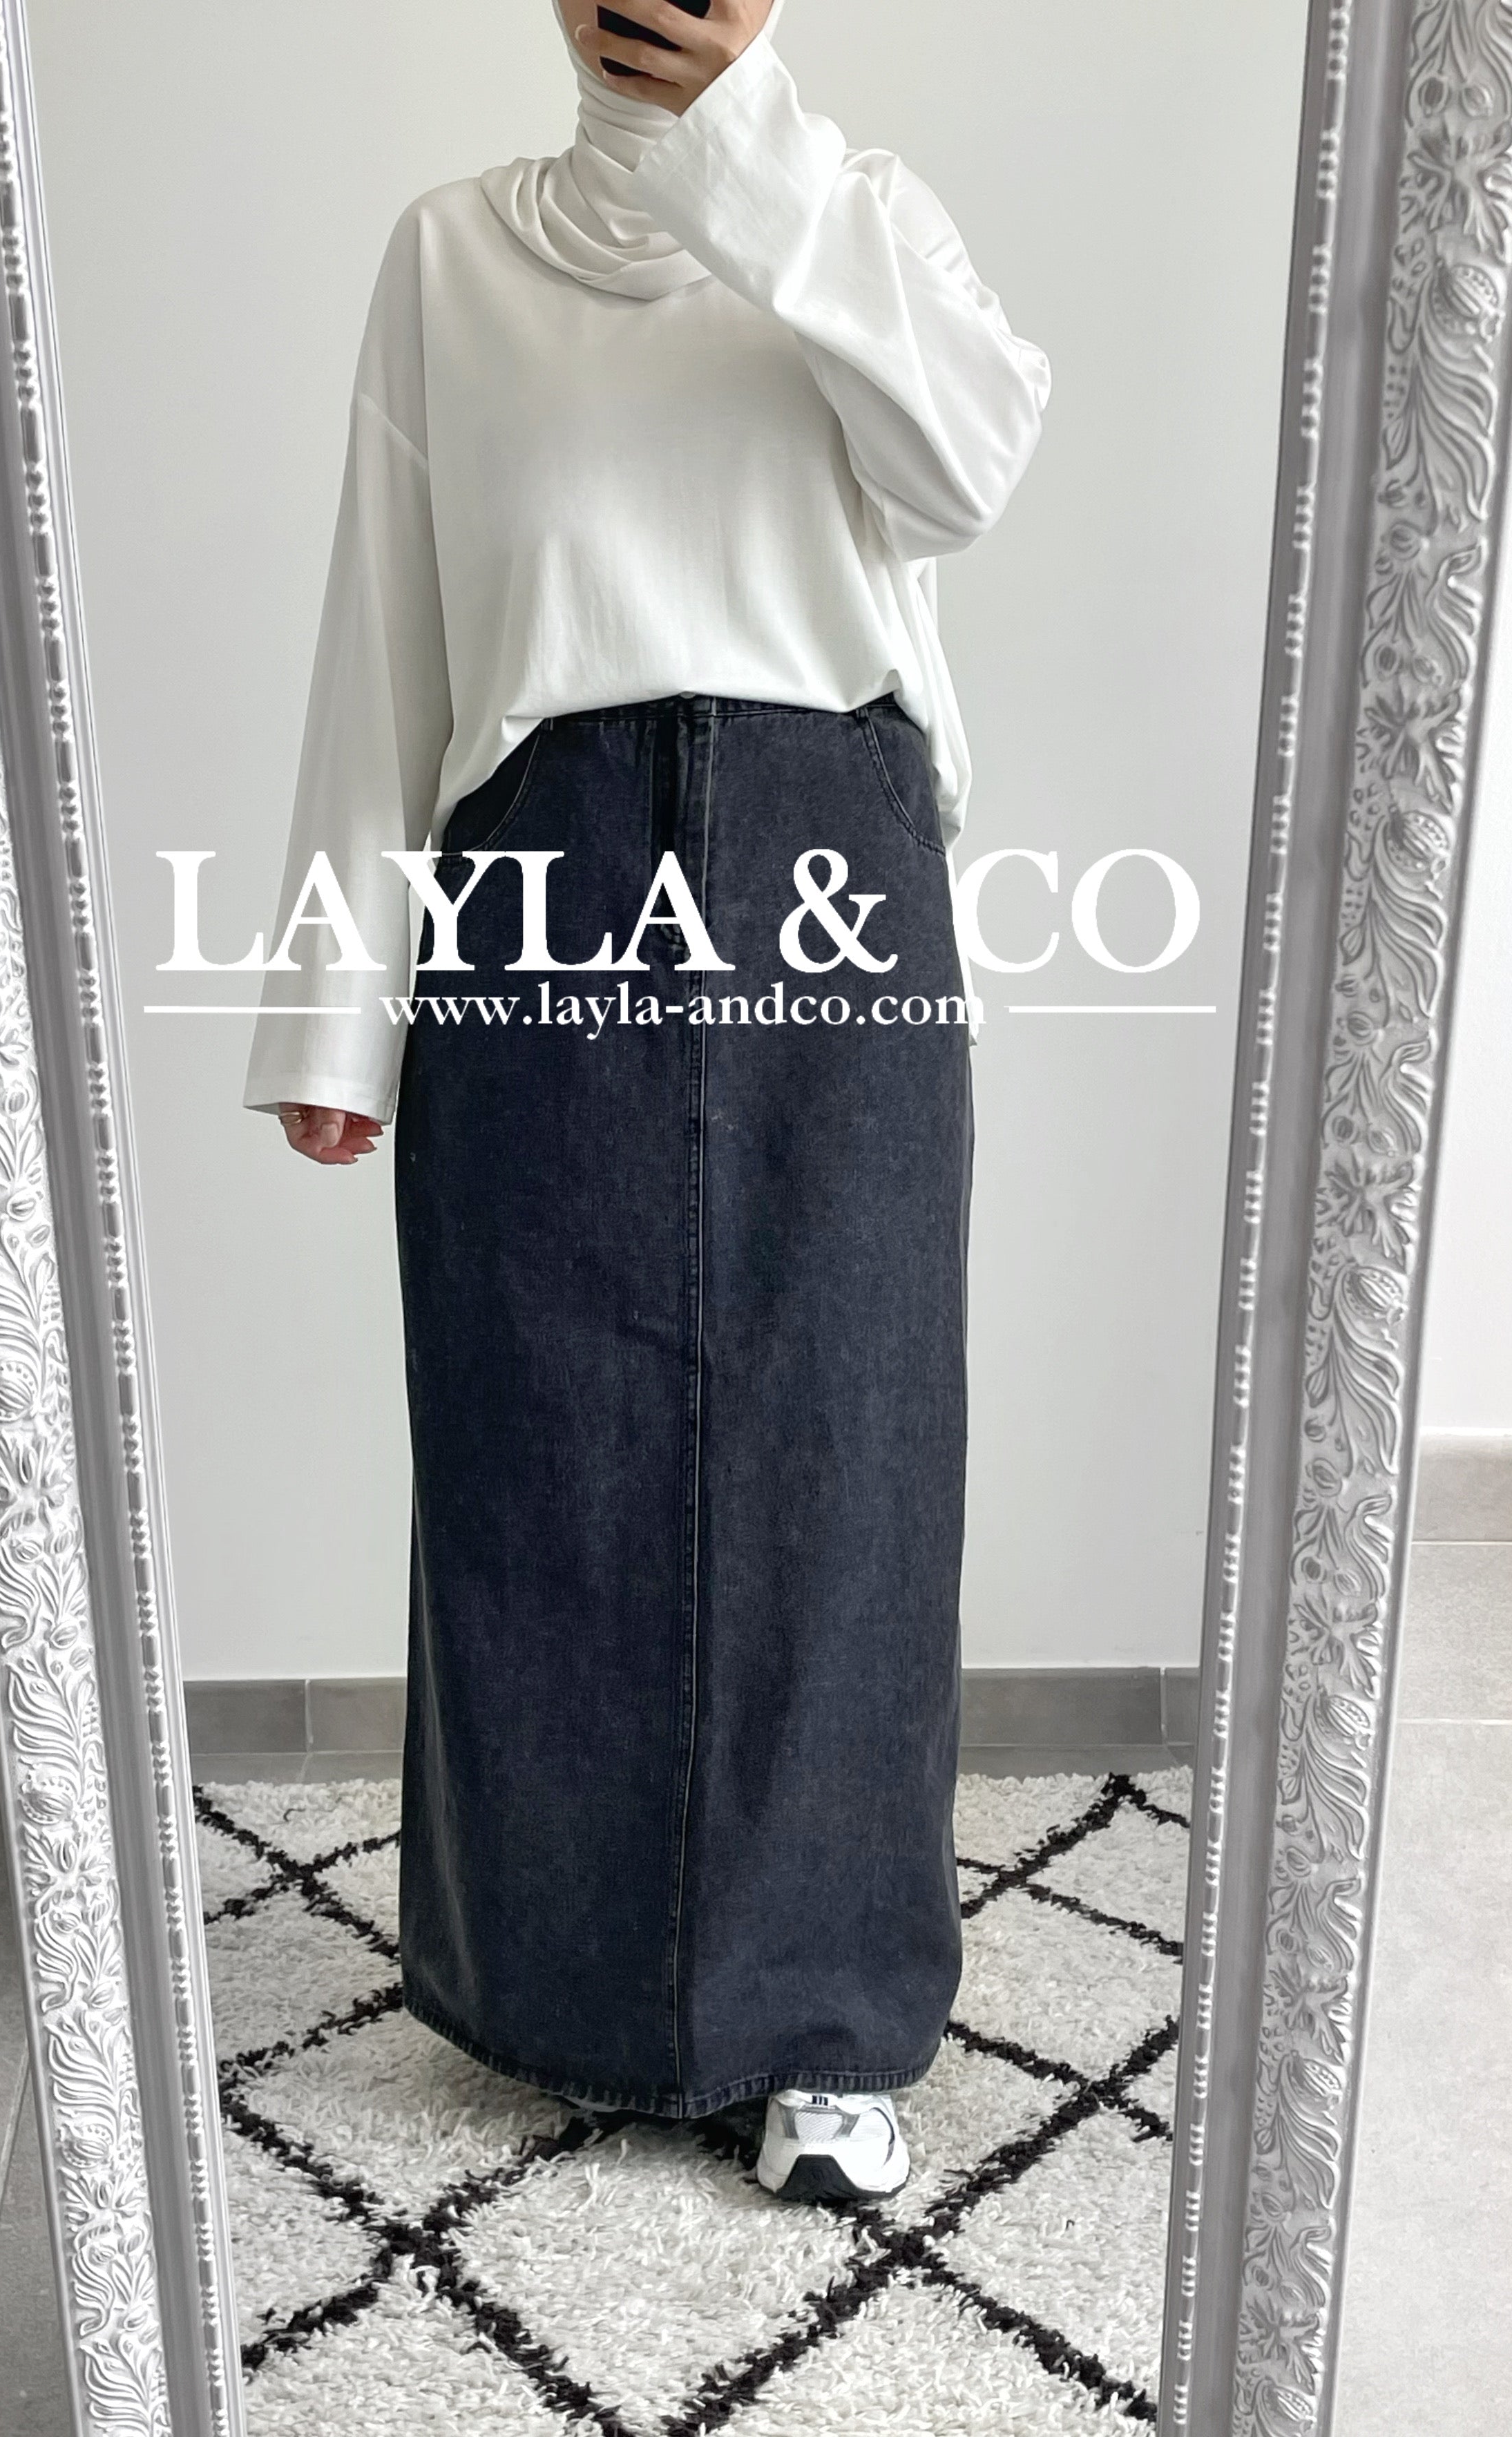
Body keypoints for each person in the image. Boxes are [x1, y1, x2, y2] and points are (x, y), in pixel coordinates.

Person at [245, 0, 1049, 2204]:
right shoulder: (451, 256)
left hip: (830, 863)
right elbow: (385, 634)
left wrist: (745, 142)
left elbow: (971, 466)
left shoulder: (858, 225)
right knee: (540, 1435)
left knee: (843, 1446)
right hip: (541, 858)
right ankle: (563, 1991)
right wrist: (335, 1007)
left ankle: (826, 2023)